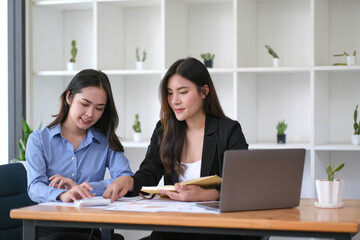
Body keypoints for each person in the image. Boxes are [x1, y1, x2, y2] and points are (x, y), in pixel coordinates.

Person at [104, 57, 257, 240]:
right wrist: (128, 182)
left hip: (216, 231)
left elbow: (243, 186)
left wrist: (207, 194)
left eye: (183, 92)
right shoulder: (164, 130)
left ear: (204, 92)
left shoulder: (228, 131)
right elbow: (148, 173)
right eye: (169, 93)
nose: (174, 101)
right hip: (173, 229)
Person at [26, 69, 133, 240]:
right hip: (49, 228)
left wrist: (81, 188)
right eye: (84, 104)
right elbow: (35, 187)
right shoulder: (39, 140)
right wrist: (63, 194)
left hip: (90, 227)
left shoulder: (106, 142)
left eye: (99, 108)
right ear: (69, 97)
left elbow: (125, 179)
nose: (90, 114)